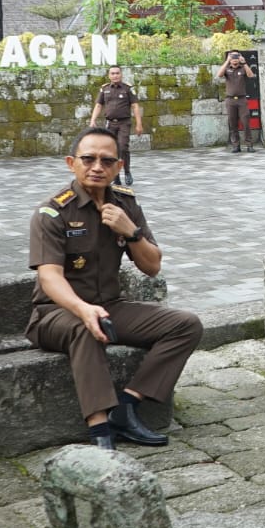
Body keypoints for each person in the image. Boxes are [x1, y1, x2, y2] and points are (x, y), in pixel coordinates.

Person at [27, 127, 203, 450]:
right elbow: (49, 277)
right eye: (88, 159)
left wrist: (131, 232)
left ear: (118, 167)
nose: (97, 167)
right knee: (86, 328)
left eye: (107, 161)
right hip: (55, 314)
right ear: (71, 163)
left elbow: (152, 266)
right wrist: (83, 309)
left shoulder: (125, 205)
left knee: (186, 325)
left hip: (110, 305)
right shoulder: (52, 212)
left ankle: (127, 405)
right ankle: (100, 432)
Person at [89, 65, 144, 185]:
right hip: (110, 124)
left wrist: (139, 124)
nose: (115, 75)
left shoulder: (127, 89)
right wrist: (93, 120)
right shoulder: (105, 89)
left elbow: (135, 106)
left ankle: (127, 171)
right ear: (109, 75)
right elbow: (99, 105)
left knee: (123, 147)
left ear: (121, 74)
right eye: (112, 73)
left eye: (117, 73)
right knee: (111, 150)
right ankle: (116, 175)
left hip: (124, 123)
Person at [221, 50, 257, 154]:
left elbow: (251, 75)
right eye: (233, 57)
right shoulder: (227, 69)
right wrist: (227, 61)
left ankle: (249, 145)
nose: (235, 59)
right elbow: (219, 74)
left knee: (246, 122)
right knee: (232, 123)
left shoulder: (243, 68)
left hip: (242, 99)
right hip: (230, 100)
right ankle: (236, 146)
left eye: (236, 56)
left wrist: (244, 63)